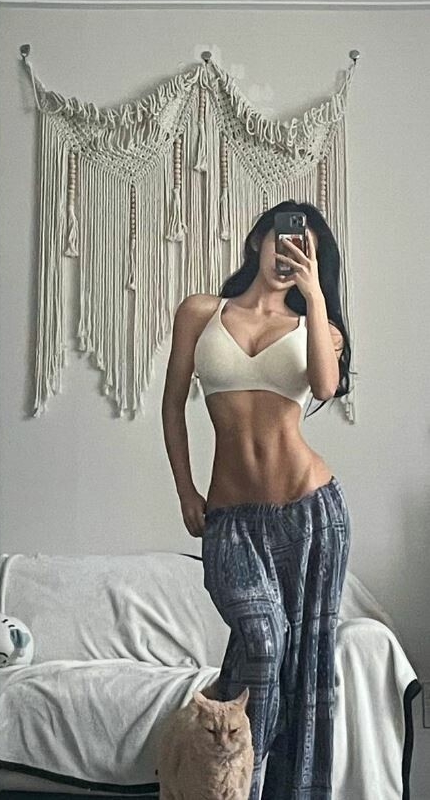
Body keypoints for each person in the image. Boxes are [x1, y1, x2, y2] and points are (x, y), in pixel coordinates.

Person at [161, 200, 353, 800]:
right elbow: (172, 405)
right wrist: (185, 489)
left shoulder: (320, 328)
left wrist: (315, 297)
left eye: (305, 249)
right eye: (282, 240)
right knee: (264, 644)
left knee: (299, 668)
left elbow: (325, 386)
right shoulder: (201, 312)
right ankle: (239, 785)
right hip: (231, 520)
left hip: (311, 515)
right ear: (258, 241)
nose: (289, 255)